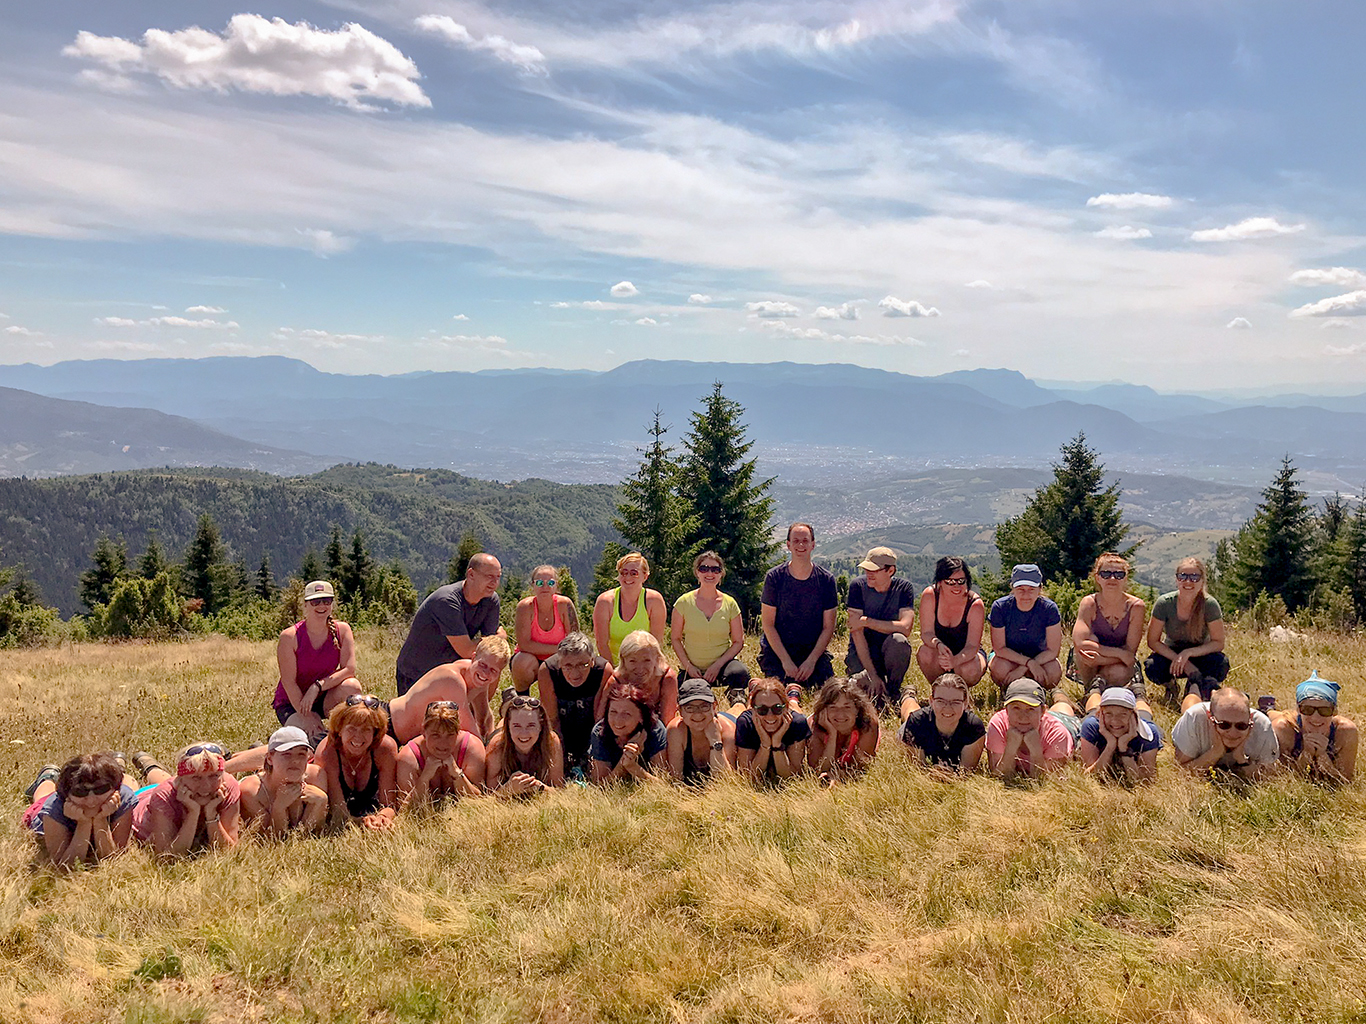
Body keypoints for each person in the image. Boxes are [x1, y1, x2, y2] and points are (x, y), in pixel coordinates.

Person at [394, 553, 506, 695]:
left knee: (491, 663)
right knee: (420, 717)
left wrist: (492, 642)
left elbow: (490, 650)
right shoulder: (447, 600)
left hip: (451, 673)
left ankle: (480, 713)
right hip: (416, 674)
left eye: (498, 577)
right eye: (489, 576)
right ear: (471, 574)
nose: (494, 582)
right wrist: (498, 639)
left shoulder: (491, 600)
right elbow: (466, 650)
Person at [758, 523, 838, 703]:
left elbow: (828, 627)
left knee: (828, 694)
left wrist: (811, 661)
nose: (800, 545)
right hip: (779, 650)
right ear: (788, 545)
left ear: (813, 544)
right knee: (775, 693)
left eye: (805, 541)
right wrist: (786, 661)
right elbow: (768, 624)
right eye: (795, 541)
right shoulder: (774, 578)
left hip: (812, 650)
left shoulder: (826, 580)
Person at [272, 580, 362, 737]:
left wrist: (317, 687)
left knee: (352, 686)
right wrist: (306, 716)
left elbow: (349, 669)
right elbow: (289, 682)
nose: (322, 606)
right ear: (306, 605)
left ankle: (341, 733)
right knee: (309, 737)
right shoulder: (290, 637)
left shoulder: (343, 630)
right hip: (292, 703)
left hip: (323, 696)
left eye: (326, 601)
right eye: (315, 601)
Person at [387, 635, 511, 743]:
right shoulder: (452, 679)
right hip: (388, 726)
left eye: (493, 670)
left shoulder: (480, 679)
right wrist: (487, 757)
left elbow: (484, 717)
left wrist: (491, 742)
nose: (485, 673)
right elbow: (468, 729)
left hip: (410, 738)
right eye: (483, 664)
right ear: (473, 658)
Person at [21, 752, 136, 868]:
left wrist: (100, 820)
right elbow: (64, 866)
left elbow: (113, 858)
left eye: (101, 789)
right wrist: (84, 824)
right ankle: (47, 776)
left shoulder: (123, 798)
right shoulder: (52, 808)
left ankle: (119, 766)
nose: (91, 800)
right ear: (67, 794)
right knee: (43, 795)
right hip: (45, 804)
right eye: (80, 792)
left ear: (115, 788)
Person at [133, 743, 242, 859]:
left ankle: (150, 766)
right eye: (196, 778)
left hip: (169, 787)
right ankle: (130, 768)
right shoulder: (163, 796)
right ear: (180, 779)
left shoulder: (227, 785)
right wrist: (193, 813)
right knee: (130, 785)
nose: (206, 786)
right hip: (140, 799)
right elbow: (167, 857)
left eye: (214, 776)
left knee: (161, 780)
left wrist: (212, 816)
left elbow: (229, 851)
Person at [1145, 558, 1228, 710]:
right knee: (1152, 666)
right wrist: (1182, 660)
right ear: (1177, 579)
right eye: (1183, 576)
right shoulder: (1164, 603)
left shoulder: (1209, 605)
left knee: (1220, 663)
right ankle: (1171, 687)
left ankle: (1197, 686)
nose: (1188, 581)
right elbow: (1152, 641)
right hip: (1172, 654)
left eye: (1194, 577)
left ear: (1202, 581)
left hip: (1201, 652)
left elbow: (1218, 642)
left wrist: (1188, 653)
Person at [1072, 553, 1148, 712]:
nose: (1112, 579)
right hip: (1098, 658)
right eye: (1106, 574)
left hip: (1118, 664)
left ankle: (1098, 690)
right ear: (1097, 577)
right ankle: (1090, 689)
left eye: (1118, 574)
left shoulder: (1136, 607)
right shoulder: (1089, 603)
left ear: (1126, 578)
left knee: (1118, 671)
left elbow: (1130, 652)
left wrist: (1101, 658)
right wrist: (1116, 654)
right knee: (1085, 650)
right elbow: (1080, 642)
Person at [313, 695, 400, 830]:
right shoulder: (326, 753)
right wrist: (364, 822)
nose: (358, 736)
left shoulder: (385, 749)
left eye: (366, 729)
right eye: (351, 728)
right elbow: (338, 812)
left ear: (375, 732)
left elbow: (388, 804)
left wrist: (383, 818)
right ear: (339, 730)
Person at [844, 547, 915, 711]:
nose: (869, 573)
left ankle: (893, 690)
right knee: (859, 696)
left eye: (874, 570)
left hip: (889, 651)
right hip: (862, 653)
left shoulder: (904, 588)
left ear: (891, 570)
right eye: (867, 569)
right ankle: (884, 693)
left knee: (899, 641)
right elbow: (856, 631)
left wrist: (867, 622)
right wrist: (872, 674)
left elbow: (905, 628)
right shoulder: (858, 587)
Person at [914, 556, 987, 712]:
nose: (957, 586)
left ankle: (963, 696)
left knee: (970, 669)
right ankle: (939, 692)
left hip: (967, 655)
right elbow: (926, 633)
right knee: (925, 653)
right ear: (940, 582)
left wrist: (955, 661)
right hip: (939, 651)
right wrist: (938, 644)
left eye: (961, 581)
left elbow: (973, 646)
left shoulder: (974, 604)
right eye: (951, 582)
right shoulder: (930, 596)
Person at [671, 551, 751, 693]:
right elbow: (676, 639)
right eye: (704, 568)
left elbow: (738, 641)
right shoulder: (683, 603)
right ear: (697, 572)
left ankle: (734, 697)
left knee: (740, 673)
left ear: (721, 574)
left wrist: (717, 665)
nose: (710, 573)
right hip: (692, 669)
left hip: (723, 667)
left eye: (715, 569)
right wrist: (688, 666)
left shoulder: (730, 604)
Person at [538, 632, 614, 779]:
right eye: (568, 666)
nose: (575, 673)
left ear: (592, 661)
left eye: (582, 665)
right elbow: (552, 719)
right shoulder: (547, 671)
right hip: (562, 726)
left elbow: (599, 718)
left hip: (590, 728)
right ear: (559, 663)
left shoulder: (603, 670)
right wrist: (561, 758)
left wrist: (589, 756)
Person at [1172, 686, 1278, 782]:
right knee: (1189, 705)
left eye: (1241, 726)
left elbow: (1268, 777)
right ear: (1211, 719)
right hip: (1196, 711)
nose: (1233, 733)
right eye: (1224, 725)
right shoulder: (1194, 718)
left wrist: (1241, 759)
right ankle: (1196, 686)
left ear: (1250, 719)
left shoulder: (1262, 726)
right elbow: (1181, 772)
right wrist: (1215, 752)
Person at [238, 727, 329, 837]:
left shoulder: (316, 776)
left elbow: (310, 835)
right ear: (269, 759)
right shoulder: (251, 791)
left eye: (301, 754)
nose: (295, 760)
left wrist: (321, 802)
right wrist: (278, 808)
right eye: (287, 754)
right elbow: (269, 840)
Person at [1271, 672, 1358, 783]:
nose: (1315, 717)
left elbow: (1346, 781)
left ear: (1335, 711)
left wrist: (1323, 758)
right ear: (1298, 710)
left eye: (1324, 711)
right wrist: (1306, 754)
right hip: (1281, 719)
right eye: (1308, 710)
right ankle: (1268, 709)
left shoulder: (1345, 731)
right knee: (1273, 716)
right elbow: (1282, 780)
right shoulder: (1283, 729)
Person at [396, 701, 486, 807]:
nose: (443, 743)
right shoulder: (410, 756)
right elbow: (404, 809)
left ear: (458, 732)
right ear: (424, 732)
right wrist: (424, 778)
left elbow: (480, 802)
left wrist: (457, 774)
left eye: (450, 734)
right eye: (436, 735)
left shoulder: (471, 748)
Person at [988, 564, 1063, 688]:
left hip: (1039, 656)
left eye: (1031, 589)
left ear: (1040, 589)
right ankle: (1010, 691)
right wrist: (1028, 663)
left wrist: (1027, 666)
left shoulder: (1049, 609)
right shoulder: (1000, 607)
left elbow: (1053, 650)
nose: (1025, 595)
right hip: (1008, 657)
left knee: (1053, 671)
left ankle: (1038, 692)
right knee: (999, 668)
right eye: (1020, 589)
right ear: (1012, 588)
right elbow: (999, 648)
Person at [509, 565, 579, 695]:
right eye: (540, 583)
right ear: (533, 585)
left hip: (560, 660)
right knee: (521, 661)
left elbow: (575, 641)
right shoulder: (525, 607)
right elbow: (524, 645)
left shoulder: (565, 605)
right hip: (531, 661)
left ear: (556, 586)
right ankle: (521, 699)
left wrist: (559, 654)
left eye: (550, 582)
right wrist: (559, 649)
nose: (545, 587)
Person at [985, 680, 1073, 781]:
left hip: (1066, 723)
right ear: (1006, 710)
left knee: (1064, 708)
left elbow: (1045, 780)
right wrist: (1010, 748)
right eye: (1016, 708)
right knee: (1059, 709)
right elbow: (997, 775)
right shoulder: (997, 724)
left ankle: (1060, 695)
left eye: (1030, 709)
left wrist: (1035, 751)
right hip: (1041, 720)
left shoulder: (1058, 733)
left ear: (1043, 711)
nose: (1023, 717)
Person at [900, 673, 986, 774]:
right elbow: (916, 769)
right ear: (931, 701)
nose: (948, 708)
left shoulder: (974, 727)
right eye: (941, 701)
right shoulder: (916, 722)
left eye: (955, 702)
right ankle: (908, 696)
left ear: (966, 703)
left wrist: (950, 776)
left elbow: (967, 772)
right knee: (909, 714)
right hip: (915, 721)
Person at [593, 552, 667, 668]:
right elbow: (602, 644)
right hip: (613, 666)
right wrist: (614, 673)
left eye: (634, 573)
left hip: (645, 667)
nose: (628, 578)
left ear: (645, 576)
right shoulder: (605, 602)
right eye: (624, 573)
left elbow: (656, 643)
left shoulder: (654, 601)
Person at [734, 677, 812, 784]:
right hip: (752, 714)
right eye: (762, 709)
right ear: (754, 709)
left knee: (797, 710)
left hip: (790, 712)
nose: (770, 716)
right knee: (738, 709)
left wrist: (776, 744)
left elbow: (792, 778)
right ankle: (753, 693)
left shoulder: (797, 723)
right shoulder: (746, 722)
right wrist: (765, 745)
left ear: (785, 707)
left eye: (777, 708)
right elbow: (749, 778)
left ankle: (793, 700)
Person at [1077, 687, 1162, 783]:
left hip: (1140, 719)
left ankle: (1139, 695)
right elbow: (1090, 776)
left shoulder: (1149, 732)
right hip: (1099, 719)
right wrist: (1110, 745)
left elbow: (1146, 781)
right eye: (1109, 714)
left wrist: (1123, 748)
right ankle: (1094, 690)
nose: (1115, 720)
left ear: (1133, 716)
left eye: (1123, 714)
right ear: (1100, 714)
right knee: (1091, 710)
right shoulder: (1091, 726)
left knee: (1144, 712)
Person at [486, 695, 566, 796]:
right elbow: (489, 794)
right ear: (508, 727)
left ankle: (511, 701)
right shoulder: (497, 746)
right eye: (517, 726)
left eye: (531, 725)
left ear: (541, 726)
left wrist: (540, 787)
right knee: (503, 720)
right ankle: (506, 705)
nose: (524, 733)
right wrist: (509, 789)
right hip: (503, 735)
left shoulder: (551, 741)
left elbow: (558, 788)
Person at [590, 684, 669, 785]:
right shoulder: (600, 731)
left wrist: (632, 766)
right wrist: (623, 763)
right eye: (613, 712)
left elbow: (662, 784)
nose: (617, 720)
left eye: (626, 714)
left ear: (641, 717)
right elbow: (600, 785)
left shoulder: (655, 730)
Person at [806, 677, 880, 782]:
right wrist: (832, 735)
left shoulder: (868, 725)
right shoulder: (816, 727)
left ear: (857, 709)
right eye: (833, 707)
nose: (840, 714)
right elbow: (817, 769)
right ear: (824, 710)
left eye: (847, 707)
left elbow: (860, 768)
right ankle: (793, 697)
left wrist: (838, 776)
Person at [666, 678, 736, 784]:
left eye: (704, 706)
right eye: (690, 708)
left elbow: (726, 781)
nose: (698, 714)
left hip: (731, 718)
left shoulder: (728, 730)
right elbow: (676, 779)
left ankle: (738, 700)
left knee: (738, 710)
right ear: (680, 711)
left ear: (714, 706)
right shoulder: (676, 730)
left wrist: (715, 741)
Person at [614, 630, 680, 726]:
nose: (640, 668)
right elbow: (602, 721)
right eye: (632, 661)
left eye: (647, 660)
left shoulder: (666, 678)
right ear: (623, 660)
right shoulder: (617, 680)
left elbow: (668, 722)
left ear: (657, 659)